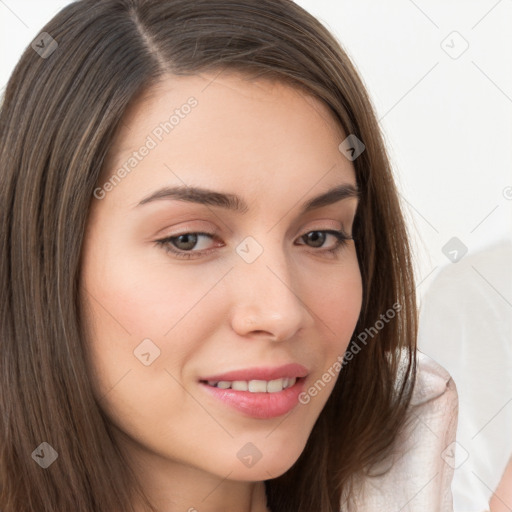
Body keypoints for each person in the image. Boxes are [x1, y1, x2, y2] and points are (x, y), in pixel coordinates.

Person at [0, 1, 457, 511]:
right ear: (43, 262)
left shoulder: (417, 473)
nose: (280, 313)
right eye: (189, 240)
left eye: (319, 236)